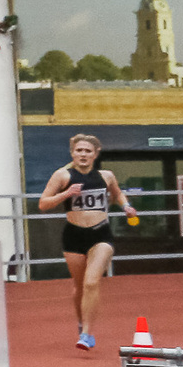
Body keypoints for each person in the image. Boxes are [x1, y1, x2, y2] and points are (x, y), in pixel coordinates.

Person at [36, 133, 137, 350]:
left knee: (92, 282)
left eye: (87, 151)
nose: (83, 154)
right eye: (79, 150)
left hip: (101, 234)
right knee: (80, 286)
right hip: (74, 235)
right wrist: (66, 194)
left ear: (95, 154)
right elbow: (43, 204)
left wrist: (127, 206)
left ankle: (87, 334)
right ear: (72, 153)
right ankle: (82, 321)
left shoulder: (106, 176)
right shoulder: (62, 176)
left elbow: (118, 194)